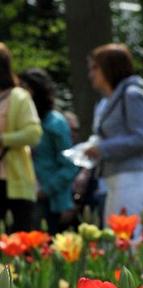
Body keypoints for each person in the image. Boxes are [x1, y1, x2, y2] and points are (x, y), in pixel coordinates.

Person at [84, 43, 143, 228]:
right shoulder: (109, 100)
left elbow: (142, 138)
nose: (91, 74)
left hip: (132, 179)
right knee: (116, 245)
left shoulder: (132, 95)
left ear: (110, 68)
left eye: (95, 68)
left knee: (128, 243)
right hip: (115, 179)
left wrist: (102, 149)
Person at [19, 69, 78, 234]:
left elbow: (69, 166)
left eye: (24, 88)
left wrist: (45, 190)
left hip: (49, 202)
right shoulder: (23, 123)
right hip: (26, 196)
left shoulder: (55, 122)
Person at [0, 43, 41, 232]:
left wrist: (3, 139)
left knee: (14, 248)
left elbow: (34, 133)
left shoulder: (19, 97)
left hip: (14, 185)